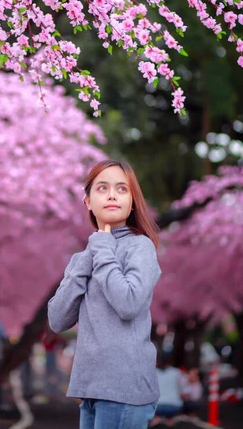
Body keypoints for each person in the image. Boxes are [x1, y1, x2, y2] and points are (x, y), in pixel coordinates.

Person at [48, 159, 162, 429]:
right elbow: (57, 319)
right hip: (90, 390)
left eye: (122, 189)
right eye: (102, 188)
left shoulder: (140, 247)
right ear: (87, 201)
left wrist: (101, 249)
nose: (112, 194)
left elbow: (129, 303)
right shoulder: (87, 256)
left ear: (132, 202)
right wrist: (87, 258)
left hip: (125, 387)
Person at [151, 352, 184, 426]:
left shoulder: (152, 372)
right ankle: (170, 419)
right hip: (174, 406)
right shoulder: (177, 372)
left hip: (156, 407)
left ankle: (157, 419)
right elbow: (184, 391)